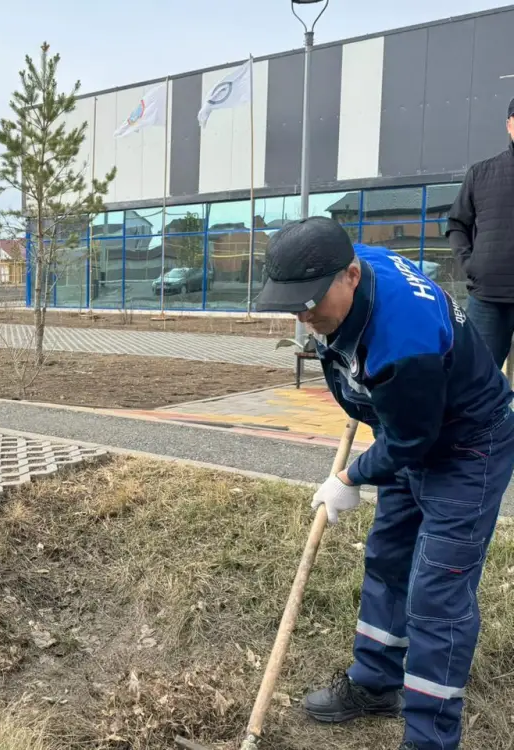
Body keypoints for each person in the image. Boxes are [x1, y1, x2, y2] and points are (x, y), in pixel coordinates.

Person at [255, 216, 514, 750]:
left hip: (467, 445)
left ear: (351, 275)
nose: (304, 317)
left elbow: (414, 441)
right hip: (403, 425)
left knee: (437, 594)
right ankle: (375, 683)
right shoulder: (347, 263)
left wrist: (350, 476)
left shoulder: (405, 340)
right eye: (293, 304)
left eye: (312, 303)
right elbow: (398, 425)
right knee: (389, 557)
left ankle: (428, 740)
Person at [447, 96, 514, 368]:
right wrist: (471, 265)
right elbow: (456, 224)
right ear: (509, 126)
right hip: (488, 298)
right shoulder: (481, 173)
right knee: (477, 379)